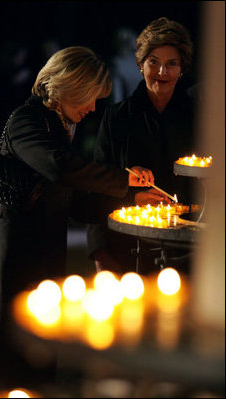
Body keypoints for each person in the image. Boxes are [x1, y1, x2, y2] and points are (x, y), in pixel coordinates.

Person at [0, 46, 154, 388]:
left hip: (47, 249)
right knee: (12, 341)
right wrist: (122, 177)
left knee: (43, 344)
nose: (93, 108)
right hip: (18, 250)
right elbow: (57, 167)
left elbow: (75, 202)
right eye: (91, 98)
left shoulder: (60, 126)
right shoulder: (26, 120)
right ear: (72, 86)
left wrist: (131, 197)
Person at [87, 17, 200, 275]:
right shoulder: (117, 118)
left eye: (171, 64)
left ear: (182, 68)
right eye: (154, 62)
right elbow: (96, 183)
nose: (162, 72)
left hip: (191, 254)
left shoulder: (199, 118)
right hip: (127, 251)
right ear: (140, 64)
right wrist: (100, 252)